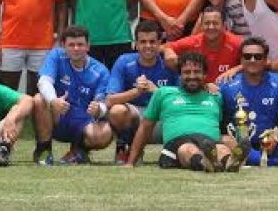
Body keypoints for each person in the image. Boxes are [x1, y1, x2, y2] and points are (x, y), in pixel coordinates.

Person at [124, 52, 242, 172]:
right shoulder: (163, 93)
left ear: (205, 75)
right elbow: (145, 128)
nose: (192, 76)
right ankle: (205, 163)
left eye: (197, 72)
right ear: (180, 75)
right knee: (188, 149)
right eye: (187, 72)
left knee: (221, 149)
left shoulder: (215, 96)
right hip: (177, 143)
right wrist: (131, 162)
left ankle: (229, 162)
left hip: (208, 142)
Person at [31, 25, 114, 165]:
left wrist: (99, 109)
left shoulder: (100, 70)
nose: (76, 48)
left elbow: (103, 102)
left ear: (88, 46)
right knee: (39, 100)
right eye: (71, 45)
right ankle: (44, 150)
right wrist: (53, 100)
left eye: (80, 44)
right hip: (58, 116)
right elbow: (44, 81)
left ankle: (78, 151)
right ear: (64, 45)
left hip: (83, 121)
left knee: (104, 134)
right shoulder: (56, 55)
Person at [218, 38, 278, 167]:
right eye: (247, 56)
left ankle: (253, 159)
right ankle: (275, 162)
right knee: (224, 140)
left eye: (258, 57)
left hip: (273, 139)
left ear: (265, 60)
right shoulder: (227, 85)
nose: (252, 60)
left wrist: (275, 137)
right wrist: (208, 86)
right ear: (241, 60)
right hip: (241, 140)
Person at [105, 20, 178, 165]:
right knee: (117, 111)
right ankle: (125, 148)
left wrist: (158, 92)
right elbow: (109, 100)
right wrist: (136, 91)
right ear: (136, 44)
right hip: (136, 118)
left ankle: (176, 150)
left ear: (159, 43)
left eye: (152, 41)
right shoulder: (124, 62)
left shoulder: (169, 63)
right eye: (143, 42)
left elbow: (183, 98)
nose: (148, 46)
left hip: (162, 120)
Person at [162, 7, 243, 83]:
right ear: (201, 25)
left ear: (224, 26)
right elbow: (166, 47)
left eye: (215, 23)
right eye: (207, 23)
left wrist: (236, 69)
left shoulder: (236, 43)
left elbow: (254, 60)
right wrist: (168, 51)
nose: (211, 27)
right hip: (200, 91)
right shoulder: (194, 41)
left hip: (226, 89)